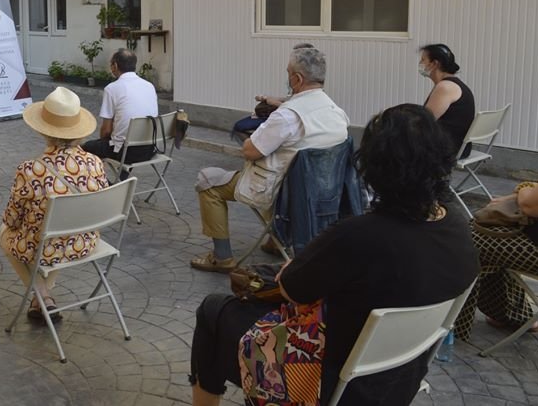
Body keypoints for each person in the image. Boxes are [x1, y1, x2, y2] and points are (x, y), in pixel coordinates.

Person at [189, 104, 479, 406]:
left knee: (214, 310)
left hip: (327, 382)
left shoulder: (359, 234)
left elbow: (291, 288)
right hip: (400, 377)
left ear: (373, 167)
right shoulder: (458, 225)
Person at [191, 46, 349, 273]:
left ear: (296, 79)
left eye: (288, 73)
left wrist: (259, 132)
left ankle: (222, 257)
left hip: (282, 197)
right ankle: (275, 241)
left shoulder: (287, 115)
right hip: (323, 197)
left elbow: (250, 151)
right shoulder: (337, 113)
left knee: (207, 180)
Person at [0, 87, 109, 321]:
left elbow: (11, 220)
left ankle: (42, 297)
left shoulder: (31, 169)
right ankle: (42, 298)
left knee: (6, 233)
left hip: (49, 247)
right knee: (55, 228)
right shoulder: (96, 163)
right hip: (85, 240)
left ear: (44, 131)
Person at [454, 163, 538, 340]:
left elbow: (531, 205)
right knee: (495, 230)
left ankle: (451, 327)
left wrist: (523, 189)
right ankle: (510, 314)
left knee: (473, 236)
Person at [81, 49, 158, 164]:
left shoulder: (112, 88)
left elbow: (106, 130)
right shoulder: (149, 86)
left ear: (115, 66)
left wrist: (102, 143)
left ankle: (97, 179)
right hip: (149, 149)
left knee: (85, 147)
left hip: (125, 153)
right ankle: (121, 180)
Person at [419, 43, 475, 159]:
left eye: (423, 60)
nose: (420, 64)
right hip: (457, 145)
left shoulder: (445, 87)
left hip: (447, 148)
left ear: (434, 64)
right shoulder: (453, 84)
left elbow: (425, 121)